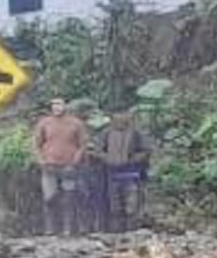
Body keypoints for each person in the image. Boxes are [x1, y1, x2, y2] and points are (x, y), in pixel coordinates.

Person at [32, 96, 91, 235]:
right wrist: (41, 160)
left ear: (65, 106)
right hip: (49, 166)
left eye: (59, 104)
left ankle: (68, 228)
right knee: (49, 197)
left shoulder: (76, 123)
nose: (56, 107)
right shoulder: (44, 123)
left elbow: (83, 144)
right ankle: (50, 229)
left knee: (69, 197)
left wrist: (76, 160)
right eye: (54, 104)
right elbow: (36, 144)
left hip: (69, 166)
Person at [98, 108, 155, 230]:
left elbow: (146, 150)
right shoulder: (106, 133)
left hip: (132, 173)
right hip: (112, 173)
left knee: (132, 203)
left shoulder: (136, 133)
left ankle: (132, 227)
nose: (119, 120)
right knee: (114, 203)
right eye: (116, 118)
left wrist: (132, 160)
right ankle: (117, 228)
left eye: (122, 117)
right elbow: (98, 150)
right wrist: (107, 158)